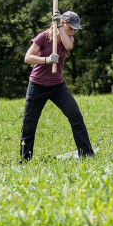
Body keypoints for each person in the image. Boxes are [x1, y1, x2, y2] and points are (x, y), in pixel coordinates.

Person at [19, 10, 94, 162]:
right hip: (37, 85)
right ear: (64, 23)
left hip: (57, 86)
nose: (73, 31)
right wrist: (46, 60)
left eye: (75, 29)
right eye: (71, 27)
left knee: (76, 117)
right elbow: (27, 58)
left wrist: (60, 27)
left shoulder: (68, 37)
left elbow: (69, 46)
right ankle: (25, 160)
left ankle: (86, 155)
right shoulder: (44, 37)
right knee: (29, 124)